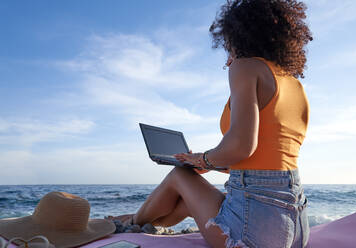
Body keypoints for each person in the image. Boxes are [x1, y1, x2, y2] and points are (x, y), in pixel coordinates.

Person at [110, 0, 313, 247]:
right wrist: (210, 163)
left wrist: (204, 159)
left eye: (228, 42)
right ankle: (143, 224)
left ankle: (130, 223)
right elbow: (267, 157)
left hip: (256, 230)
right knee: (186, 200)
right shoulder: (294, 85)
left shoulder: (245, 66)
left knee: (179, 175)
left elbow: (241, 146)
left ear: (238, 35)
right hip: (295, 224)